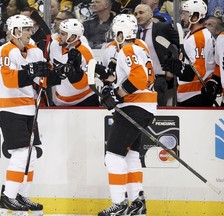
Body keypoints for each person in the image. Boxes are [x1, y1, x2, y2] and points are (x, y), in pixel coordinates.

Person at [97, 13, 157, 216]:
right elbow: (135, 75)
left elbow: (138, 78)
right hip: (146, 107)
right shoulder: (140, 46)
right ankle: (137, 202)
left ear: (121, 33)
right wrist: (111, 83)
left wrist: (118, 93)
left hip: (135, 107)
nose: (115, 36)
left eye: (116, 33)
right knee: (131, 155)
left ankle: (119, 204)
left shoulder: (128, 50)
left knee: (113, 156)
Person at [0, 14, 49, 215]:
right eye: (26, 29)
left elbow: (44, 77)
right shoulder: (5, 51)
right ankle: (9, 197)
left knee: (32, 153)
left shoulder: (34, 50)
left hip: (28, 109)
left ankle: (21, 196)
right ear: (15, 31)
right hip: (8, 109)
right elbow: (10, 81)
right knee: (21, 152)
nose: (30, 32)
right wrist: (33, 72)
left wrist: (52, 73)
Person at [162, 0, 222, 107]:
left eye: (185, 14)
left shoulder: (200, 37)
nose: (182, 18)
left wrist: (180, 68)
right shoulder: (191, 34)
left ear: (195, 17)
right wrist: (176, 66)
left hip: (196, 95)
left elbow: (199, 71)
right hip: (188, 94)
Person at [134, 4, 179, 106]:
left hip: (161, 79)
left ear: (151, 14)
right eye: (135, 14)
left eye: (141, 13)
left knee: (158, 112)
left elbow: (180, 45)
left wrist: (171, 67)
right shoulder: (136, 34)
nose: (138, 16)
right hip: (142, 81)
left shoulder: (162, 27)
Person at [48, 18, 99, 106]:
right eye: (60, 32)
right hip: (60, 102)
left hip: (85, 100)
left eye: (63, 34)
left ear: (72, 37)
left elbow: (85, 82)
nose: (59, 36)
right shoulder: (55, 44)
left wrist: (74, 73)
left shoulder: (85, 53)